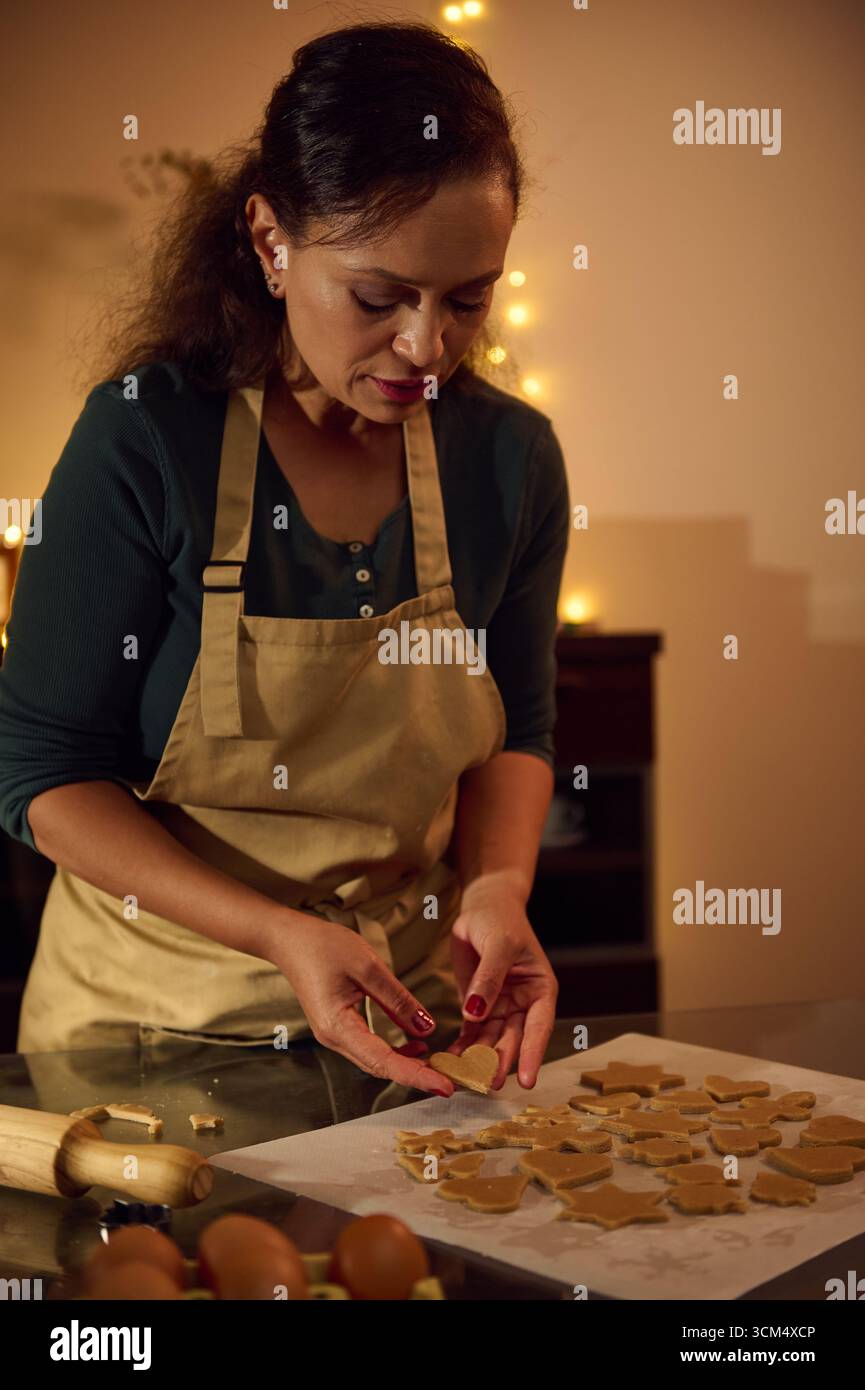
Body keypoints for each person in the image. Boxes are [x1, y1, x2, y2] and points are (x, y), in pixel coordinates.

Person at [0, 20, 569, 1095]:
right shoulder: (146, 441)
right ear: (270, 241)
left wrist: (497, 883)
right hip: (146, 1039)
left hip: (406, 1031)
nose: (425, 346)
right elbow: (42, 772)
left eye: (467, 297)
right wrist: (277, 934)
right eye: (378, 297)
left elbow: (518, 730)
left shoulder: (509, 461)